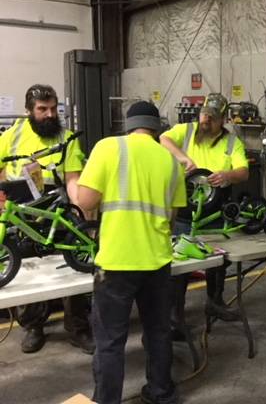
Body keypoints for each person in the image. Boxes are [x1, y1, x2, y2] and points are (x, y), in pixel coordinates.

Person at [76, 101, 186, 404]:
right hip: (158, 261)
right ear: (156, 126)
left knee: (110, 341)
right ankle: (161, 393)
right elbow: (172, 218)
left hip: (117, 262)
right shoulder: (171, 162)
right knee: (158, 332)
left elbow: (85, 202)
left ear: (128, 123)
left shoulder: (109, 148)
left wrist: (75, 185)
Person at [0, 84, 93, 354]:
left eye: (53, 109)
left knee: (74, 267)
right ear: (29, 111)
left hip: (58, 209)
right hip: (24, 212)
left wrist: (82, 219)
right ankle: (33, 325)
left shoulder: (66, 136)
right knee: (27, 270)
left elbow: (74, 178)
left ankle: (77, 326)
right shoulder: (13, 134)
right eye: (42, 110)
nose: (49, 114)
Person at [160, 93, 249, 321]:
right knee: (179, 263)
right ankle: (174, 316)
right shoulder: (187, 130)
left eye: (212, 117)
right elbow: (164, 139)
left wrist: (227, 175)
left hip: (215, 212)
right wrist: (183, 159)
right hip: (185, 208)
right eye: (204, 114)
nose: (206, 120)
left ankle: (215, 302)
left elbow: (244, 172)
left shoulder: (232, 142)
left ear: (223, 120)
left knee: (218, 261)